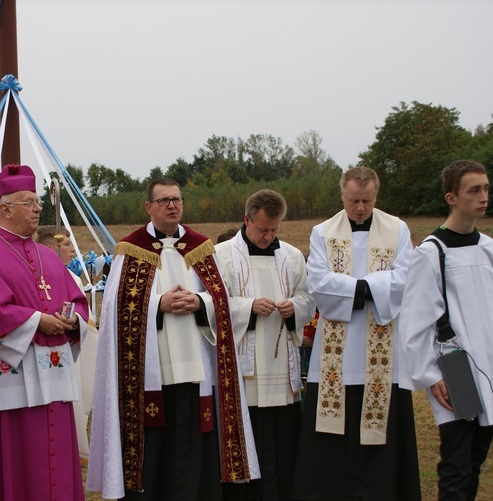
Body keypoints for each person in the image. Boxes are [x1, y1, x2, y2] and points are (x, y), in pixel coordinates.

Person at [87, 178, 259, 500]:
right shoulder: (130, 250)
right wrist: (157, 305)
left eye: (177, 199)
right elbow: (113, 309)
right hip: (150, 375)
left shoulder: (200, 249)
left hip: (197, 371)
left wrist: (199, 302)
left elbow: (221, 301)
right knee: (155, 449)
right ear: (149, 207)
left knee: (194, 445)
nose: (172, 206)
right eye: (164, 200)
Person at [0, 164, 89, 501]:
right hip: (9, 382)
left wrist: (72, 320)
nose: (37, 208)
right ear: (4, 210)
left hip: (51, 375)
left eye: (38, 201)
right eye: (28, 202)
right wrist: (36, 321)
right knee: (14, 462)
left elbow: (76, 300)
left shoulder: (48, 256)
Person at [291, 166, 421, 500]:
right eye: (353, 200)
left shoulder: (398, 229)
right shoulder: (323, 231)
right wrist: (370, 291)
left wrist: (355, 290)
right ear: (342, 196)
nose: (360, 207)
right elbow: (318, 281)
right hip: (336, 352)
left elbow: (407, 277)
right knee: (332, 438)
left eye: (367, 200)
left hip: (382, 349)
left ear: (376, 196)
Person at [399, 159, 493, 500]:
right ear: (452, 197)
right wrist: (429, 374)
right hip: (455, 368)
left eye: (485, 189)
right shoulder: (431, 252)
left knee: (476, 460)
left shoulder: (488, 248)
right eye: (474, 190)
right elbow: (415, 320)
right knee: (456, 465)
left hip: (489, 367)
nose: (483, 197)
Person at [215, 189, 315, 500]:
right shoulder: (220, 255)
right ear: (246, 219)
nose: (268, 236)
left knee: (282, 441)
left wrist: (295, 308)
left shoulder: (292, 256)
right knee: (250, 436)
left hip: (281, 368)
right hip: (243, 372)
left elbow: (308, 298)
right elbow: (212, 303)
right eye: (262, 229)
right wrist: (248, 307)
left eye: (274, 229)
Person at [35, 225, 99, 465]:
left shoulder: (71, 277)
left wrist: (73, 323)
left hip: (67, 351)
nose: (73, 251)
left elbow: (83, 317)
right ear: (51, 248)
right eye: (67, 245)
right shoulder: (36, 276)